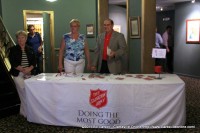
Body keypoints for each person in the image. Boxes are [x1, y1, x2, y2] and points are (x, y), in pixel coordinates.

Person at [9, 30, 36, 117]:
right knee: (23, 92)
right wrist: (21, 69)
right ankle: (27, 112)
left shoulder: (30, 49)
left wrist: (29, 68)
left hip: (29, 74)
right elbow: (13, 62)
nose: (20, 39)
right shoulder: (13, 49)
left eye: (22, 37)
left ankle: (23, 111)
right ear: (17, 39)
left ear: (26, 38)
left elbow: (34, 62)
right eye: (18, 38)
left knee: (29, 92)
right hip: (18, 74)